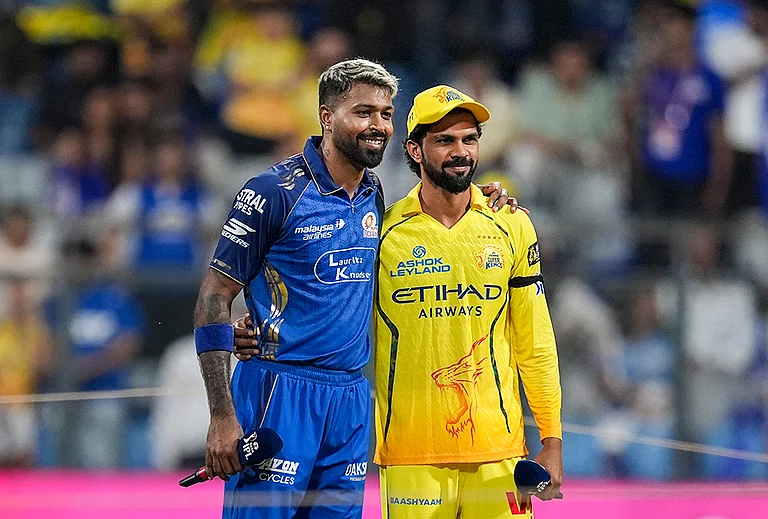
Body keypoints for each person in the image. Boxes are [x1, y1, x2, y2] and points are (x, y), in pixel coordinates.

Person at [194, 59, 513, 518]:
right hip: (279, 392)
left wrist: (485, 198)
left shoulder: (374, 192)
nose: (378, 125)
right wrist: (222, 416)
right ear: (326, 116)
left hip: (350, 399)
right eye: (363, 112)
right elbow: (213, 296)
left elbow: (439, 204)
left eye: (386, 114)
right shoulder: (272, 192)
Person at [374, 86, 563, 518]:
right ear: (415, 150)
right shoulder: (382, 233)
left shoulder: (511, 223)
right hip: (411, 455)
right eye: (445, 140)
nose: (460, 152)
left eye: (469, 139)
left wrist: (551, 440)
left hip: (500, 452)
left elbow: (535, 343)